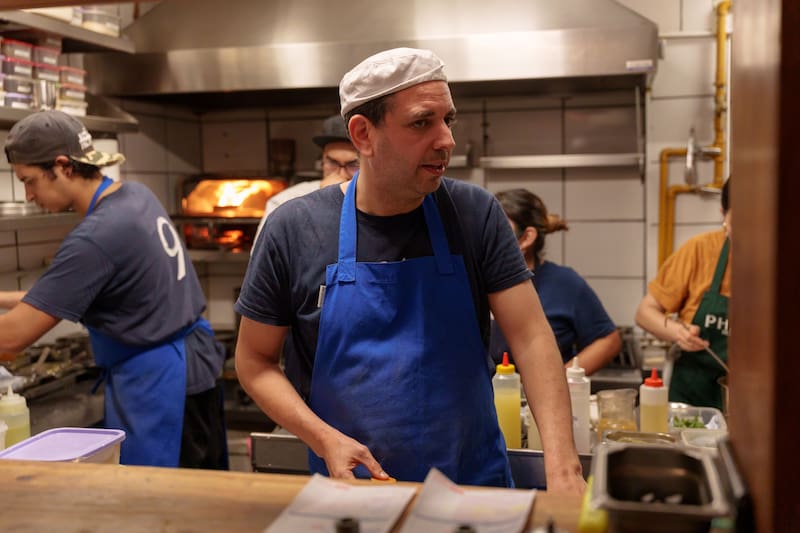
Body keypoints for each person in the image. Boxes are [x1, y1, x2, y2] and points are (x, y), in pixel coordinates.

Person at [235, 47, 584, 493]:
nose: (447, 140)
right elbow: (254, 362)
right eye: (422, 122)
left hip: (473, 490)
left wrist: (563, 467)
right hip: (354, 492)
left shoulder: (474, 213)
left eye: (448, 120)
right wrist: (322, 439)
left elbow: (532, 337)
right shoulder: (295, 229)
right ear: (363, 134)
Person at [0, 110, 228, 469]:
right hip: (193, 370)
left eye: (29, 181)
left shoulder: (96, 237)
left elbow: (8, 340)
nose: (28, 195)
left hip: (159, 385)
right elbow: (58, 294)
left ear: (63, 167)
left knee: (162, 512)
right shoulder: (134, 197)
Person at [490, 188, 622, 375]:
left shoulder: (564, 283)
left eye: (499, 231)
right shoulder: (474, 281)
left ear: (526, 238)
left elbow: (609, 341)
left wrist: (558, 380)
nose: (488, 240)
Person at [635, 178, 731, 409]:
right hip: (693, 397)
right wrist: (679, 332)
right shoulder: (701, 249)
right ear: (723, 214)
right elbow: (645, 313)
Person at [253, 114, 358, 246]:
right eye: (332, 163)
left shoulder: (377, 206)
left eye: (353, 165)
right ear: (322, 161)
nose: (341, 174)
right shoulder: (283, 202)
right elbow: (265, 258)